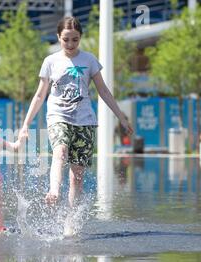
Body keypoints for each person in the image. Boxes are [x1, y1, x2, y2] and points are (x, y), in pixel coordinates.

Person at [19, 16, 133, 209]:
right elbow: (39, 95)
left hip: (84, 121)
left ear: (80, 37)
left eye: (75, 39)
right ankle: (54, 190)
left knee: (77, 176)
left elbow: (103, 91)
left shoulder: (89, 60)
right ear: (58, 37)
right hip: (58, 116)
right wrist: (25, 125)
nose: (70, 44)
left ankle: (70, 222)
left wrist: (121, 117)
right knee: (60, 150)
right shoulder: (50, 61)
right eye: (66, 39)